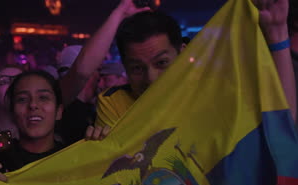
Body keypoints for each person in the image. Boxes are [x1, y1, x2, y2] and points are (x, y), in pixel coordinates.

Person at [66, 0, 296, 130]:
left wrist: (277, 34)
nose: (151, 79)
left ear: (183, 54)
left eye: (162, 63)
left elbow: (282, 126)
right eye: (137, 68)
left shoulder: (217, 90)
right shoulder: (114, 102)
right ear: (125, 68)